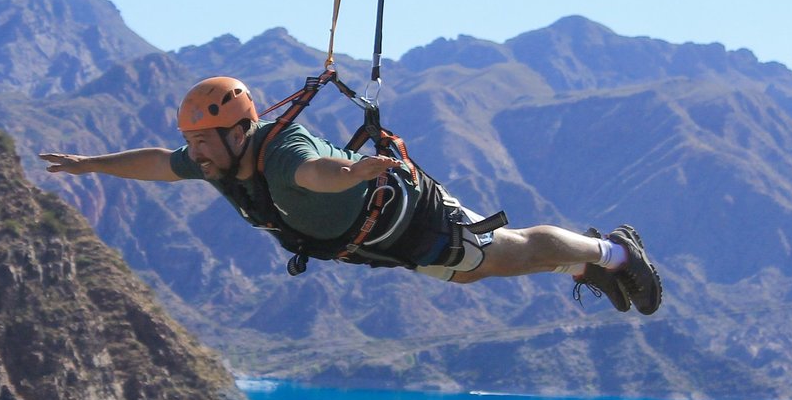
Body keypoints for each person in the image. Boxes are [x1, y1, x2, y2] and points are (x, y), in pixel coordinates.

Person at [41, 76, 662, 312]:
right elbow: (155, 163)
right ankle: (589, 261)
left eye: (204, 140)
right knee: (482, 272)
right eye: (192, 142)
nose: (195, 152)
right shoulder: (217, 163)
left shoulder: (283, 155)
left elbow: (318, 174)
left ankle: (614, 254)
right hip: (376, 241)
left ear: (238, 130)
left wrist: (360, 172)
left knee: (513, 252)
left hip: (408, 217)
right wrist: (89, 163)